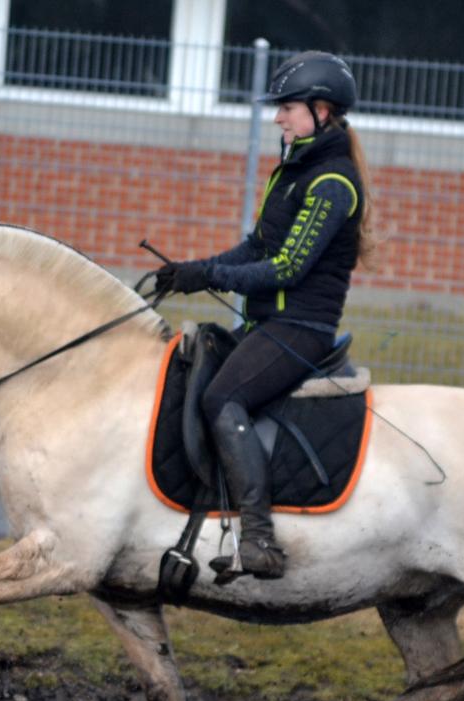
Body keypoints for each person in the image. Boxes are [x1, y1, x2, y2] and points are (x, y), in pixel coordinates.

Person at [152, 50, 376, 582]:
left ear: (322, 111)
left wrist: (211, 275)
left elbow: (287, 267)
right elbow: (257, 246)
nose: (278, 117)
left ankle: (258, 539)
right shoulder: (293, 170)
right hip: (266, 324)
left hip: (301, 329)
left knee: (221, 398)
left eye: (288, 108)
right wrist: (194, 269)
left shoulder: (333, 183)